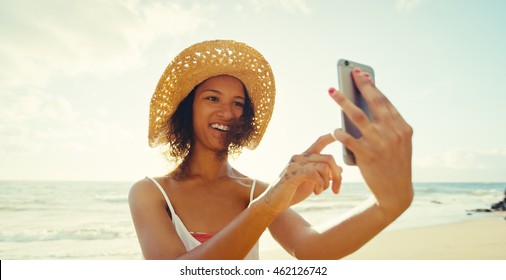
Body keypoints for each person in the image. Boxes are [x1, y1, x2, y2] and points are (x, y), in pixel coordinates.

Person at [128, 40, 414, 260]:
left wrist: (387, 205)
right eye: (212, 98)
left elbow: (310, 248)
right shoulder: (150, 192)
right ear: (187, 109)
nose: (227, 112)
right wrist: (268, 204)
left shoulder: (256, 192)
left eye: (238, 103)